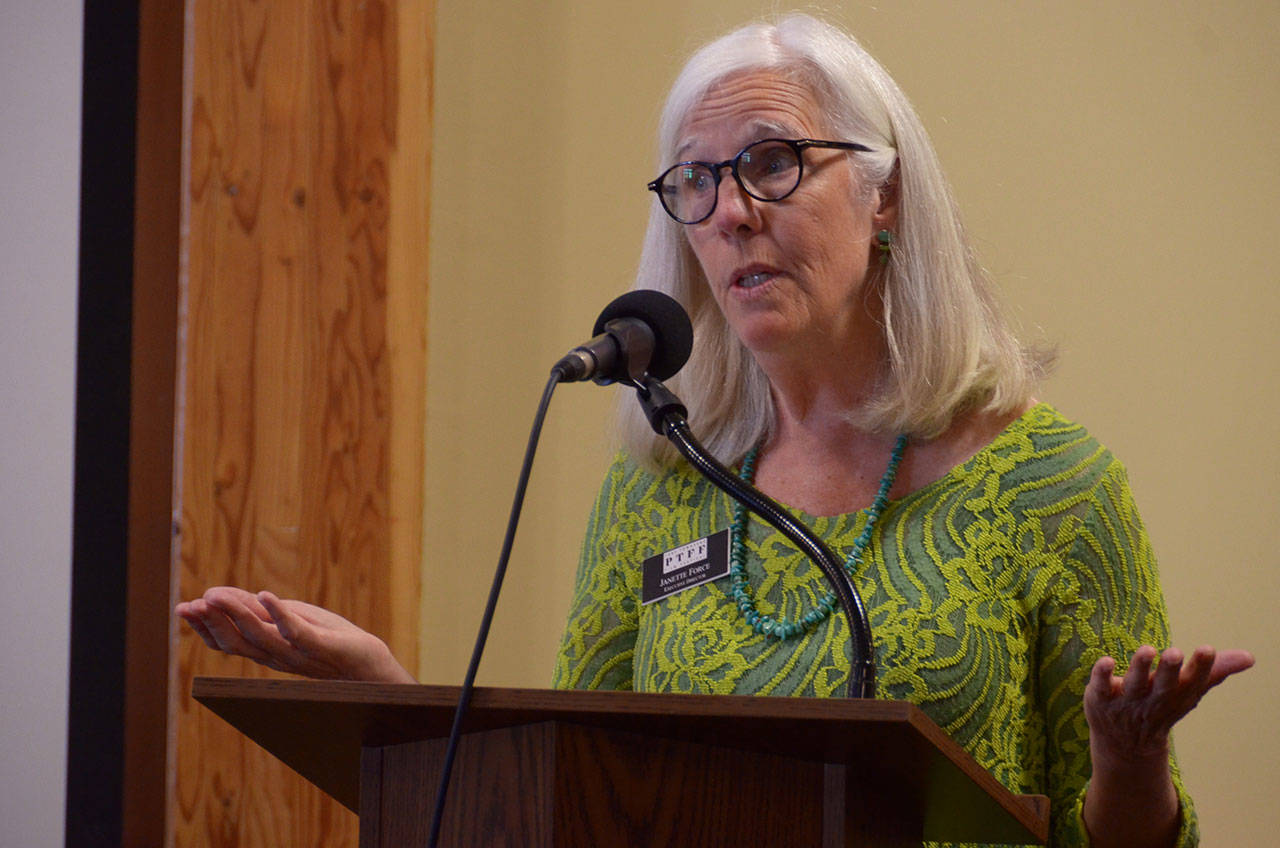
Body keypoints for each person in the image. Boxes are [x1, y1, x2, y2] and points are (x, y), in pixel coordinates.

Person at [177, 14, 1252, 847]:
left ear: (883, 196)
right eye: (695, 180)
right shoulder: (660, 485)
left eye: (772, 161)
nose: (729, 210)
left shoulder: (1054, 487)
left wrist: (1129, 756)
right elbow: (576, 787)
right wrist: (393, 698)